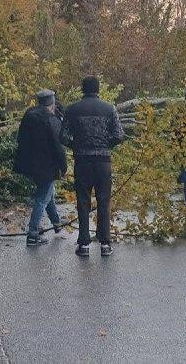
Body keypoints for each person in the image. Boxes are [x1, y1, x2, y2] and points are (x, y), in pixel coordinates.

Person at [61, 76, 124, 257]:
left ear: (82, 89)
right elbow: (119, 134)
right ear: (98, 89)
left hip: (82, 162)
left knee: (83, 202)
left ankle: (84, 245)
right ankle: (105, 244)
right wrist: (106, 145)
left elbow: (62, 136)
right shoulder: (109, 108)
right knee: (104, 201)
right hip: (103, 161)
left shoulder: (72, 109)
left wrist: (77, 146)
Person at [14, 89, 68, 246]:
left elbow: (20, 139)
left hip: (30, 164)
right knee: (42, 198)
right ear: (51, 104)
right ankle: (32, 234)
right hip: (47, 166)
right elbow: (58, 146)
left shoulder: (29, 115)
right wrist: (63, 167)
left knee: (47, 194)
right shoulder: (50, 119)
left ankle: (57, 226)